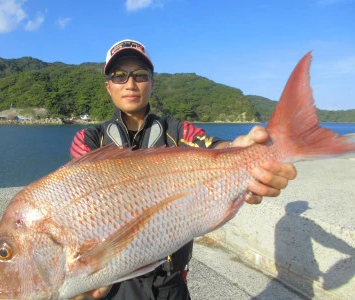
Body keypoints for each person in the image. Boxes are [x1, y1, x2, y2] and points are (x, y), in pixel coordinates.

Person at [70, 39, 297, 300]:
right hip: (116, 284)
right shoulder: (89, 139)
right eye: (119, 76)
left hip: (171, 281)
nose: (130, 84)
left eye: (140, 75)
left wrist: (242, 149)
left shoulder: (179, 131)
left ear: (152, 83)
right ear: (108, 87)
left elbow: (214, 148)